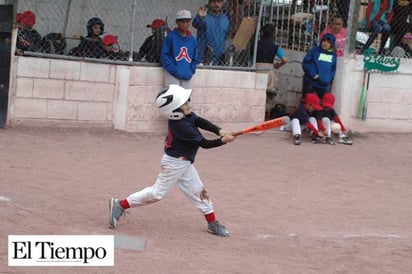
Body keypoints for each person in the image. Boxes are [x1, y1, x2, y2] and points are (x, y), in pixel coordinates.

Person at [109, 84, 236, 237]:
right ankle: (120, 204)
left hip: (184, 163)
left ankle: (212, 222)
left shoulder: (184, 115)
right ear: (174, 111)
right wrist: (223, 141)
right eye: (184, 104)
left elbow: (199, 121)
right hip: (174, 164)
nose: (188, 105)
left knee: (198, 191)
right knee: (157, 194)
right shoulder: (181, 126)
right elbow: (205, 144)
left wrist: (219, 130)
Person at [160, 10, 197, 89]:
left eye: (187, 21)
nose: (185, 24)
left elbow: (194, 58)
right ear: (177, 22)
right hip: (172, 74)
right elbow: (164, 56)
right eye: (182, 22)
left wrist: (191, 71)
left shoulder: (192, 40)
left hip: (186, 75)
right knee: (174, 98)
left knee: (186, 99)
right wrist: (174, 70)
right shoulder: (171, 37)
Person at [192, 0, 230, 65]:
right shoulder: (204, 15)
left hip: (219, 60)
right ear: (209, 3)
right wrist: (200, 17)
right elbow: (195, 24)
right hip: (203, 58)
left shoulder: (225, 19)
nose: (216, 4)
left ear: (222, 3)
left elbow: (225, 36)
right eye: (213, 2)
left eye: (219, 2)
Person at [302, 33, 337, 99]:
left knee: (324, 104)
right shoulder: (314, 51)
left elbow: (333, 68)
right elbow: (306, 63)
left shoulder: (333, 55)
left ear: (332, 44)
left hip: (324, 85)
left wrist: (329, 78)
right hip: (311, 82)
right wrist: (313, 73)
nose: (325, 43)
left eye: (328, 42)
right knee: (308, 102)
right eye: (324, 41)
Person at [256, 24, 288, 93]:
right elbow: (285, 60)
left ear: (262, 33)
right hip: (268, 74)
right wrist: (278, 65)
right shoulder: (275, 47)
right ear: (273, 35)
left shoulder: (255, 44)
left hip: (255, 71)